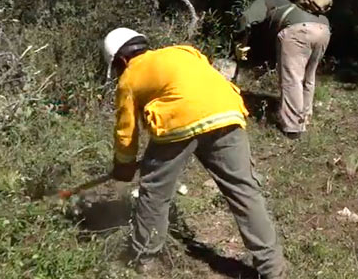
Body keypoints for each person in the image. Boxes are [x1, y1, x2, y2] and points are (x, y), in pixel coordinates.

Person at [101, 27, 287, 278]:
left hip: (179, 124)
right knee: (244, 191)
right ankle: (273, 268)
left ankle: (145, 257)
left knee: (154, 192)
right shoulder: (184, 51)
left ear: (121, 60)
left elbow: (126, 131)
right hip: (227, 113)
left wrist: (123, 164)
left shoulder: (129, 78)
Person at [236, 0, 331, 139]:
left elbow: (247, 18)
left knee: (292, 79)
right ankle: (305, 117)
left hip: (298, 31)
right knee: (309, 76)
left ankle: (293, 128)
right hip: (323, 29)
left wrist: (238, 36)